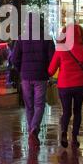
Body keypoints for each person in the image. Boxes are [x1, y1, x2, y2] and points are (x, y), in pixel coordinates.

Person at [12, 17, 55, 147]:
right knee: (39, 105)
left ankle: (32, 129)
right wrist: (48, 73)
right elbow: (52, 58)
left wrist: (21, 70)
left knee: (29, 105)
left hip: (25, 76)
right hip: (41, 76)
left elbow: (15, 58)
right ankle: (34, 128)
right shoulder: (46, 38)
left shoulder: (21, 38)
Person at [48, 24, 83, 148]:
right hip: (79, 85)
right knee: (77, 111)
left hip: (64, 85)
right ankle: (74, 137)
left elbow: (51, 70)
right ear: (80, 35)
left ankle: (63, 132)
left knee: (66, 112)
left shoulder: (60, 49)